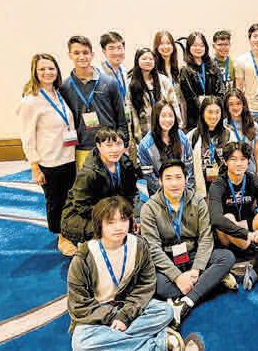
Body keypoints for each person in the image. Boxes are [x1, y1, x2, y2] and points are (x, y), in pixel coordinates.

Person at [67, 196, 183, 351]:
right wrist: (112, 317)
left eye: (123, 220)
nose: (118, 227)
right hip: (97, 315)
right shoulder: (83, 258)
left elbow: (146, 285)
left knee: (165, 311)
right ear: (99, 225)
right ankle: (159, 344)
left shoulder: (139, 246)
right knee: (81, 344)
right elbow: (79, 304)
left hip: (128, 306)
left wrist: (125, 316)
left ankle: (115, 342)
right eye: (111, 222)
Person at [140, 160, 236, 324]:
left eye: (179, 177)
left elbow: (206, 238)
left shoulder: (198, 201)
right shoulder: (149, 208)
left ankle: (186, 301)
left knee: (227, 257)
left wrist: (197, 269)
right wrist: (177, 277)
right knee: (155, 283)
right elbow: (153, 249)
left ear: (186, 179)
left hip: (193, 255)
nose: (174, 183)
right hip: (167, 260)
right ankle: (213, 281)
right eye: (168, 178)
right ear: (160, 181)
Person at [208, 142, 258, 291]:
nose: (239, 163)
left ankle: (257, 257)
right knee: (228, 217)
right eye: (233, 159)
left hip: (249, 226)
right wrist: (248, 235)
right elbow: (216, 219)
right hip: (228, 233)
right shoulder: (218, 184)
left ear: (248, 162)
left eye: (243, 159)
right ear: (226, 162)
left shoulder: (252, 179)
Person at [19, 53, 77, 255]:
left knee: (70, 198)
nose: (47, 72)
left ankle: (70, 230)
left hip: (69, 157)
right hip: (50, 161)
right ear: (35, 72)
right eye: (42, 69)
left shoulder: (58, 94)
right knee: (56, 201)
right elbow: (27, 138)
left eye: (51, 68)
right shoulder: (31, 101)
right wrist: (34, 167)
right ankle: (62, 237)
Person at [61, 128, 139, 252]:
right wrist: (113, 217)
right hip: (82, 216)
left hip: (113, 208)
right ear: (98, 146)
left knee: (134, 223)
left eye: (118, 144)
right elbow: (81, 206)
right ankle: (84, 244)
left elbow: (132, 192)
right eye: (109, 145)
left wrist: (131, 215)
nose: (114, 150)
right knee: (112, 231)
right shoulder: (89, 173)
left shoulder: (125, 163)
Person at [60, 36, 128, 170]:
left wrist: (124, 144)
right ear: (70, 55)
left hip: (109, 146)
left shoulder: (109, 82)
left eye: (85, 52)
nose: (81, 57)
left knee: (111, 182)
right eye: (76, 53)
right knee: (87, 182)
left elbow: (121, 117)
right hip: (82, 147)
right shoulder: (64, 87)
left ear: (92, 55)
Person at [137, 101, 195, 196]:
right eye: (163, 116)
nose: (168, 119)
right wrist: (169, 195)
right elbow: (150, 178)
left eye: (171, 115)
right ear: (156, 118)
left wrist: (185, 193)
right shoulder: (145, 145)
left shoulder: (182, 137)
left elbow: (189, 169)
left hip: (183, 192)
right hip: (160, 195)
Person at [128, 47, 181, 143]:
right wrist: (137, 137)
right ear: (137, 61)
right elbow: (133, 113)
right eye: (144, 59)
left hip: (166, 131)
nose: (148, 61)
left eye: (151, 59)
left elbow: (174, 105)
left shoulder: (163, 80)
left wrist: (179, 126)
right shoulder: (131, 84)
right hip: (144, 133)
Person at [187, 96, 236, 199]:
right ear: (202, 113)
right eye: (210, 112)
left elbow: (234, 162)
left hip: (224, 188)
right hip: (200, 189)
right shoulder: (192, 135)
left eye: (217, 112)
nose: (214, 116)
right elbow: (187, 166)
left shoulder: (229, 135)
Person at [180, 32, 225, 131]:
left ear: (206, 47)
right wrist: (206, 108)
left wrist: (213, 107)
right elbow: (190, 97)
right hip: (196, 119)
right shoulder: (185, 70)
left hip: (215, 116)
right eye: (195, 45)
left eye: (201, 45)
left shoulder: (213, 67)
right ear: (189, 48)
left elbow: (221, 91)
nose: (198, 48)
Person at [223, 88, 258, 175]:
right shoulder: (223, 126)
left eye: (238, 103)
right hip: (230, 174)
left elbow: (257, 153)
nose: (235, 107)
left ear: (243, 105)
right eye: (231, 104)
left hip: (250, 173)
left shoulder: (254, 126)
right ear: (227, 106)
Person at [154, 30, 187, 128]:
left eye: (168, 43)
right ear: (156, 47)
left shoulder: (179, 69)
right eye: (161, 44)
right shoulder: (154, 70)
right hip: (163, 118)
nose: (165, 47)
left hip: (180, 116)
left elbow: (182, 98)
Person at [100, 32, 130, 120]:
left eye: (119, 48)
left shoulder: (123, 70)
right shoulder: (99, 74)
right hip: (109, 119)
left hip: (124, 116)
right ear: (104, 51)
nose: (116, 52)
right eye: (111, 48)